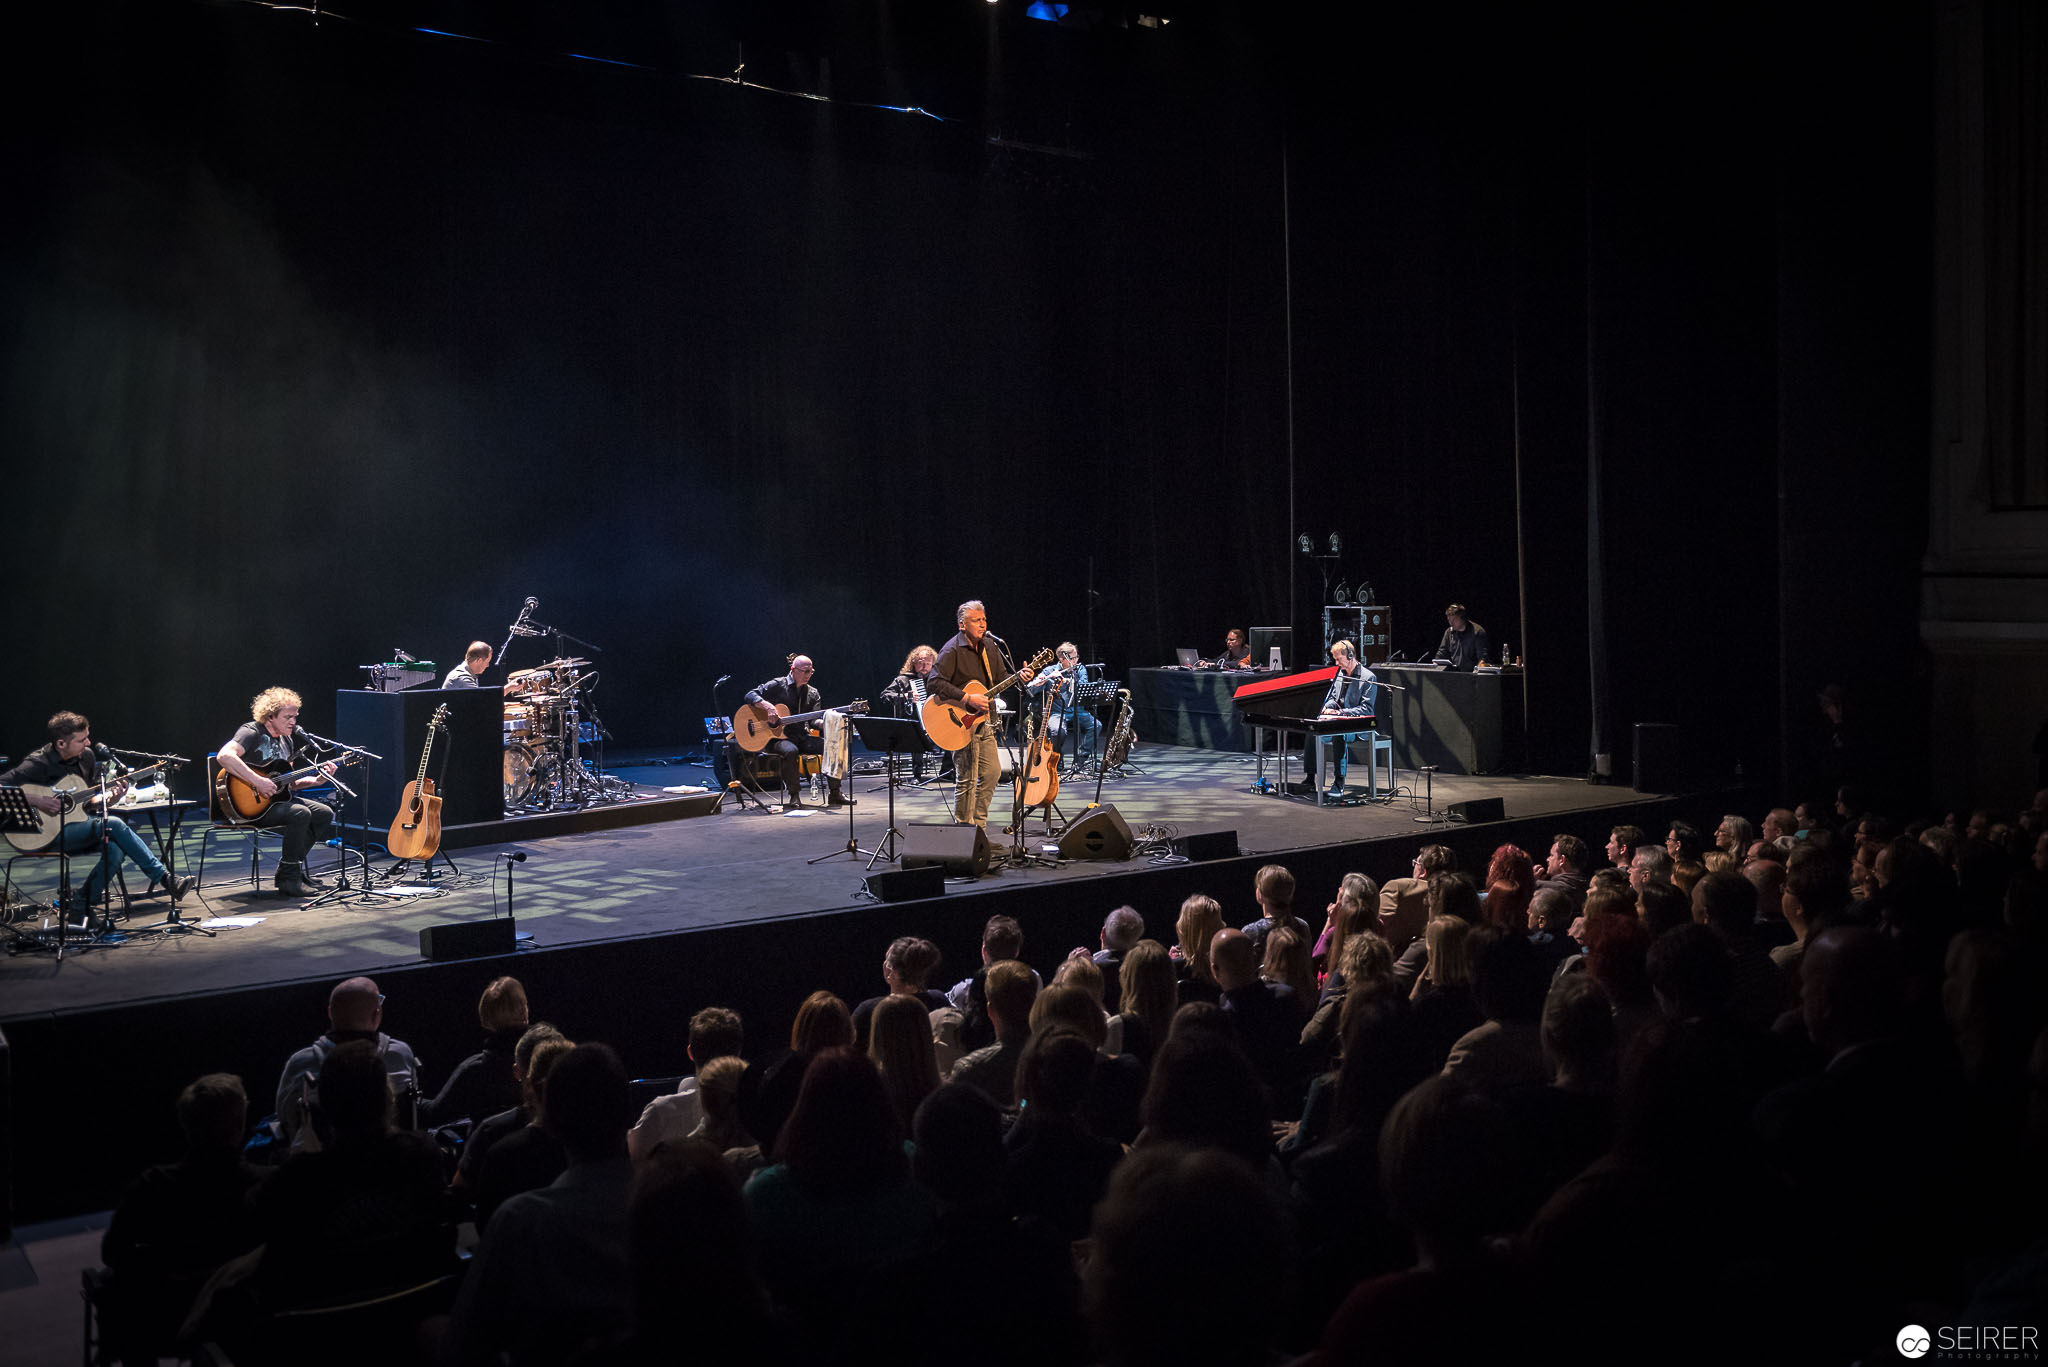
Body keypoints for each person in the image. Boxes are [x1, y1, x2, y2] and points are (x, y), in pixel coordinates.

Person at [1, 710, 194, 911]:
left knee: (115, 849)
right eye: (81, 740)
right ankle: (165, 878)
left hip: (74, 829)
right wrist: (37, 800)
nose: (88, 743)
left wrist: (111, 798)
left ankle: (81, 904)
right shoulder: (38, 763)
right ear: (61, 744)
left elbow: (89, 801)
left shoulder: (86, 758)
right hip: (39, 834)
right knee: (114, 823)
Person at [217, 687, 340, 897]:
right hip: (248, 806)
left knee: (324, 813)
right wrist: (258, 781)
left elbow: (288, 785)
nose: (293, 722)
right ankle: (289, 880)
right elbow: (224, 756)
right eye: (288, 716)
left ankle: (289, 870)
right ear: (270, 716)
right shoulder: (251, 732)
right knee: (300, 813)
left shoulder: (287, 740)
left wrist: (317, 780)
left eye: (295, 716)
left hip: (275, 803)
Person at [274, 976, 421, 1152]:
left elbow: (284, 1115)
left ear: (330, 1012)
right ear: (376, 1015)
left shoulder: (301, 1063)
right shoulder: (400, 1054)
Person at [928, 600, 1035, 833]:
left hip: (983, 721)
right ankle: (963, 833)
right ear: (962, 625)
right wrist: (967, 698)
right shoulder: (952, 649)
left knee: (992, 773)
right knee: (967, 778)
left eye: (984, 619)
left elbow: (1000, 678)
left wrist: (1019, 677)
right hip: (958, 721)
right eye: (976, 620)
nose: (982, 624)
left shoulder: (990, 646)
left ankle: (978, 831)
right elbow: (934, 682)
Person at [628, 1006, 745, 1162]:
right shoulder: (757, 1111)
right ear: (738, 1053)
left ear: (690, 1052)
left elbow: (636, 1168)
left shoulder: (660, 1113)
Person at [742, 655, 848, 808]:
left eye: (811, 672)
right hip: (776, 739)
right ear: (793, 670)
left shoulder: (813, 693)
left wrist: (825, 723)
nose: (808, 675)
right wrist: (768, 707)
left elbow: (813, 720)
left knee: (831, 745)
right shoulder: (778, 684)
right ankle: (794, 795)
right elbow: (750, 695)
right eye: (805, 671)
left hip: (801, 736)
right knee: (791, 751)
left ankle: (835, 793)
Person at [1303, 640, 1377, 798]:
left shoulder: (1368, 677)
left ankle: (1339, 781)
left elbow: (1367, 709)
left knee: (1339, 732)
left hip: (1357, 726)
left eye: (1338, 659)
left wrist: (1342, 713)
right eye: (1334, 659)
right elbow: (1333, 698)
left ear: (1350, 656)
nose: (1336, 663)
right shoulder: (1339, 674)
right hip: (1338, 720)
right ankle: (1310, 778)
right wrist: (1326, 707)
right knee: (1311, 729)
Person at [879, 644, 949, 782]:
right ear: (913, 663)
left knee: (953, 734)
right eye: (920, 662)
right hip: (914, 723)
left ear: (933, 664)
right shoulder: (904, 679)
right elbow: (884, 696)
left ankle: (947, 772)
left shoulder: (937, 680)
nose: (924, 666)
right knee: (917, 733)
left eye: (928, 663)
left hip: (936, 721)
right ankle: (917, 774)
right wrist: (904, 696)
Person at [1026, 642, 1100, 763]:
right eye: (1072, 658)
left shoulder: (1080, 669)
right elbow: (1030, 689)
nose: (1075, 660)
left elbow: (1083, 686)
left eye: (1077, 657)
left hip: (1076, 710)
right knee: (1057, 731)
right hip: (1056, 712)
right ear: (1061, 659)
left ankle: (1080, 760)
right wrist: (1047, 678)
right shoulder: (1049, 670)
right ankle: (1057, 760)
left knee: (1096, 725)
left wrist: (1066, 680)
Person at [1434, 602, 1491, 671]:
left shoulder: (1477, 632)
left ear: (1463, 618)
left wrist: (1478, 672)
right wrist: (1436, 662)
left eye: (1454, 620)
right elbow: (1442, 653)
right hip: (1455, 675)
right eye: (1449, 620)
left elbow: (1482, 659)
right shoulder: (1449, 632)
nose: (1451, 623)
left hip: (1471, 675)